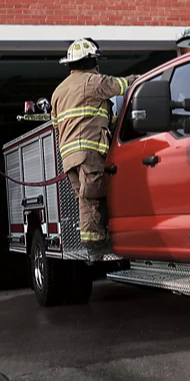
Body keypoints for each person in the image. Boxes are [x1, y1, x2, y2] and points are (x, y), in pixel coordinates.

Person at [51, 38, 139, 260]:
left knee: (85, 197)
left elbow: (55, 126)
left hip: (69, 157)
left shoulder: (58, 92)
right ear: (90, 60)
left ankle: (96, 241)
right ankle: (96, 248)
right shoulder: (92, 81)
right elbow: (120, 85)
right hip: (88, 153)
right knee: (92, 198)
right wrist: (141, 79)